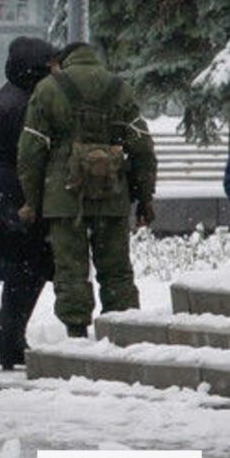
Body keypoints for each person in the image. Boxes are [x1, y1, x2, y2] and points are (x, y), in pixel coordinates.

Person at [17, 43, 157, 337]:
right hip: (112, 192)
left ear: (63, 61)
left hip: (64, 196)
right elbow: (142, 148)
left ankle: (76, 330)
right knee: (117, 269)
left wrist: (32, 200)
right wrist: (145, 198)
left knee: (71, 269)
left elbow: (31, 151)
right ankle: (123, 334)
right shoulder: (120, 88)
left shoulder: (47, 89)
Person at [0, 37, 56, 369]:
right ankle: (10, 344)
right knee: (28, 266)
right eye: (51, 64)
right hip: (14, 191)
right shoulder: (27, 102)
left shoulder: (7, 95)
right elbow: (32, 153)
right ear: (37, 66)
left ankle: (0, 335)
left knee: (22, 267)